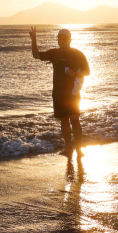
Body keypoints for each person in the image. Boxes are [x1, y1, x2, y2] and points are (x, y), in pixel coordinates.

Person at [29, 27, 90, 156]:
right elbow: (36, 55)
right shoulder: (54, 53)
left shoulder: (78, 54)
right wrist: (34, 39)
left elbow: (87, 71)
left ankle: (79, 149)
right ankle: (69, 147)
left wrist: (75, 74)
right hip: (58, 93)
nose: (61, 41)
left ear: (70, 40)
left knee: (74, 119)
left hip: (72, 93)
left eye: (64, 39)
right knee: (64, 120)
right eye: (59, 39)